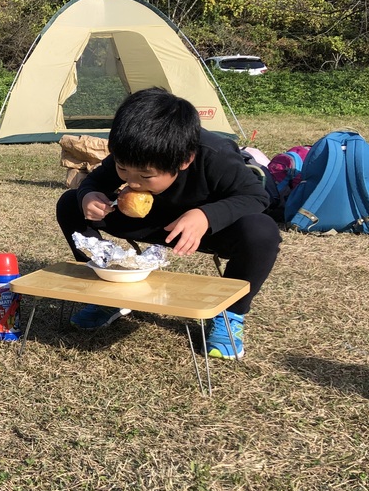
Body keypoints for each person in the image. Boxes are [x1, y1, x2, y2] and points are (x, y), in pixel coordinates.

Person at [55, 87, 280, 359]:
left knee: (261, 231)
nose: (132, 181)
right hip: (147, 221)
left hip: (203, 231)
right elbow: (96, 181)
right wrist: (88, 194)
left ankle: (230, 313)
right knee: (70, 204)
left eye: (146, 176)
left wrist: (206, 216)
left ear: (185, 160)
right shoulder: (133, 148)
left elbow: (256, 195)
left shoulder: (215, 154)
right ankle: (109, 295)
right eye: (123, 169)